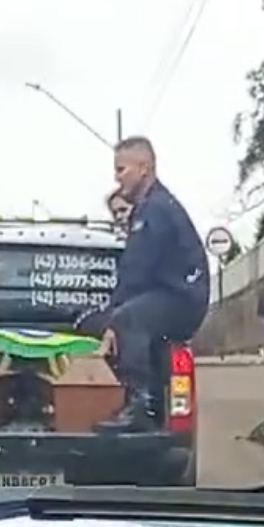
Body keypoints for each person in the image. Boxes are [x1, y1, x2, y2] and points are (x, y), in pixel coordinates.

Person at [94, 136, 210, 432]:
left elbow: (135, 271)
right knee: (131, 318)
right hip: (177, 295)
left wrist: (112, 319)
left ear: (143, 168)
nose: (116, 178)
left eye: (122, 169)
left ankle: (140, 407)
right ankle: (154, 401)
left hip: (183, 299)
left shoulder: (155, 209)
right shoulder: (153, 205)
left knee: (129, 318)